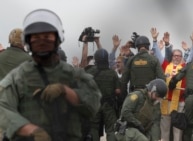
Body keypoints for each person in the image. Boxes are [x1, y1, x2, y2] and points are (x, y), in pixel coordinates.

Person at [0, 9, 102, 141]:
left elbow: (93, 103)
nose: (42, 42)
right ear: (28, 42)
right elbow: (2, 107)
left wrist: (65, 91)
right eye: (36, 38)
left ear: (57, 39)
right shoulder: (19, 76)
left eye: (47, 37)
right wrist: (30, 130)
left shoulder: (73, 74)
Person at [151, 27, 186, 141]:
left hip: (179, 102)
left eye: (178, 55)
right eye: (174, 55)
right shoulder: (165, 65)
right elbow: (157, 55)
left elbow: (191, 57)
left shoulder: (185, 67)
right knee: (164, 129)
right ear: (172, 56)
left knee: (177, 130)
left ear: (181, 57)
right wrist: (155, 41)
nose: (176, 57)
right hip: (166, 100)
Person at [85, 46, 121, 141]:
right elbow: (118, 91)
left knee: (94, 128)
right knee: (111, 129)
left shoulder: (89, 71)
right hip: (108, 105)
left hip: (94, 105)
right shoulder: (112, 73)